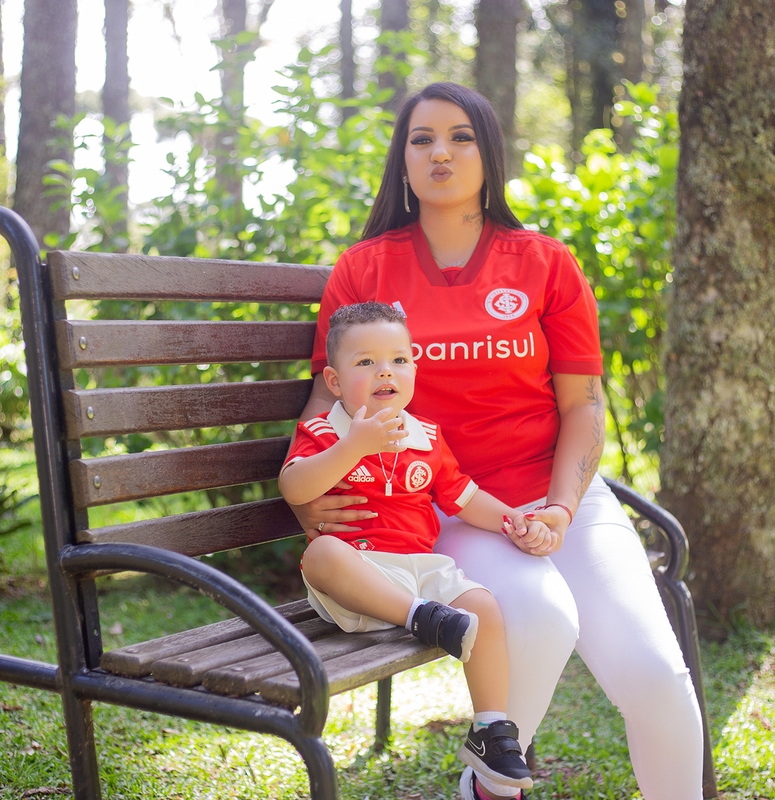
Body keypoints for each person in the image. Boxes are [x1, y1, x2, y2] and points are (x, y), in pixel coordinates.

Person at [288, 82, 705, 800]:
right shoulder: (366, 267)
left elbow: (584, 405)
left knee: (656, 677)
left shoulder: (545, 262)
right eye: (421, 139)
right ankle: (493, 787)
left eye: (460, 137)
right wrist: (309, 499)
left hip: (558, 496)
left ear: (489, 154)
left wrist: (563, 508)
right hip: (450, 505)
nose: (440, 152)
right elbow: (328, 401)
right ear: (403, 161)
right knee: (541, 612)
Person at [279, 301, 540, 792]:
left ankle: (491, 729)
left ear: (414, 368)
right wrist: (353, 446)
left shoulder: (425, 436)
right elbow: (294, 487)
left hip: (420, 567)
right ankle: (422, 617)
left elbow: (463, 497)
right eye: (366, 362)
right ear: (334, 383)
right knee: (321, 555)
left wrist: (513, 519)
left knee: (483, 605)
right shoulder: (324, 434)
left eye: (399, 360)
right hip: (360, 573)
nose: (386, 371)